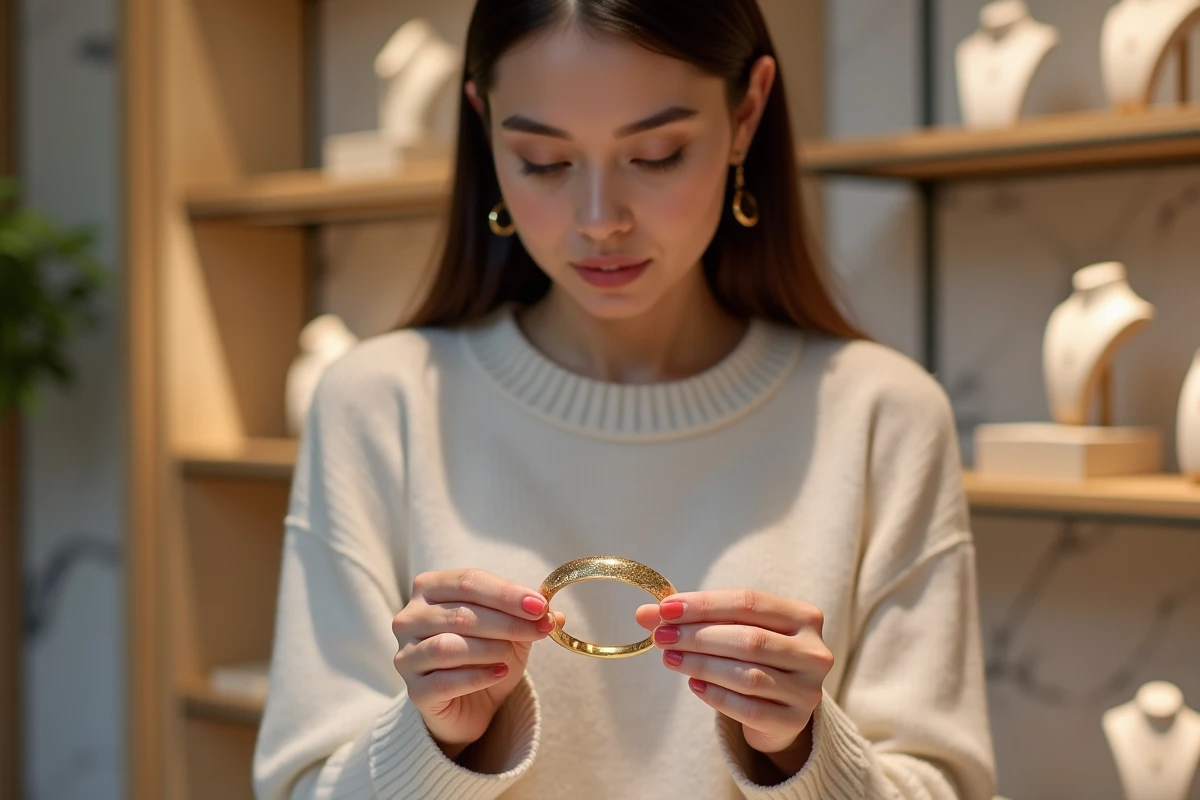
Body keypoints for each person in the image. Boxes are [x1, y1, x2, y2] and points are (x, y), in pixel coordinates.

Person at [252, 1, 998, 798]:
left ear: (746, 114)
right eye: (543, 161)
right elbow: (299, 786)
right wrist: (433, 741)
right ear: (484, 126)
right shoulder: (379, 407)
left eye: (656, 154)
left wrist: (802, 753)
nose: (600, 219)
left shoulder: (882, 417)